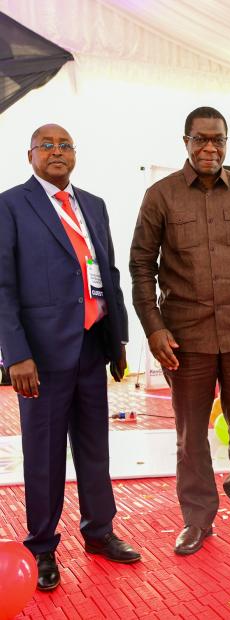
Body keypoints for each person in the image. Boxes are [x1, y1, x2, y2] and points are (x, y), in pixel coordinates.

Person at [130, 107, 230, 555]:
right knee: (190, 434)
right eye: (200, 139)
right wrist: (154, 328)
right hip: (185, 338)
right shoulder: (160, 196)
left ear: (226, 143)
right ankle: (197, 520)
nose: (209, 148)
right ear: (185, 141)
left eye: (218, 140)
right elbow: (141, 266)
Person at [0, 124, 141, 591]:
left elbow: (109, 273)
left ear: (75, 155)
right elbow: (3, 286)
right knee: (43, 455)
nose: (57, 152)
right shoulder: (11, 205)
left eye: (65, 145)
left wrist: (117, 340)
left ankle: (99, 533)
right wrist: (16, 354)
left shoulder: (94, 206)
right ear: (30, 155)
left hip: (92, 346)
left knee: (94, 449)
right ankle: (41, 547)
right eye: (47, 145)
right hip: (39, 358)